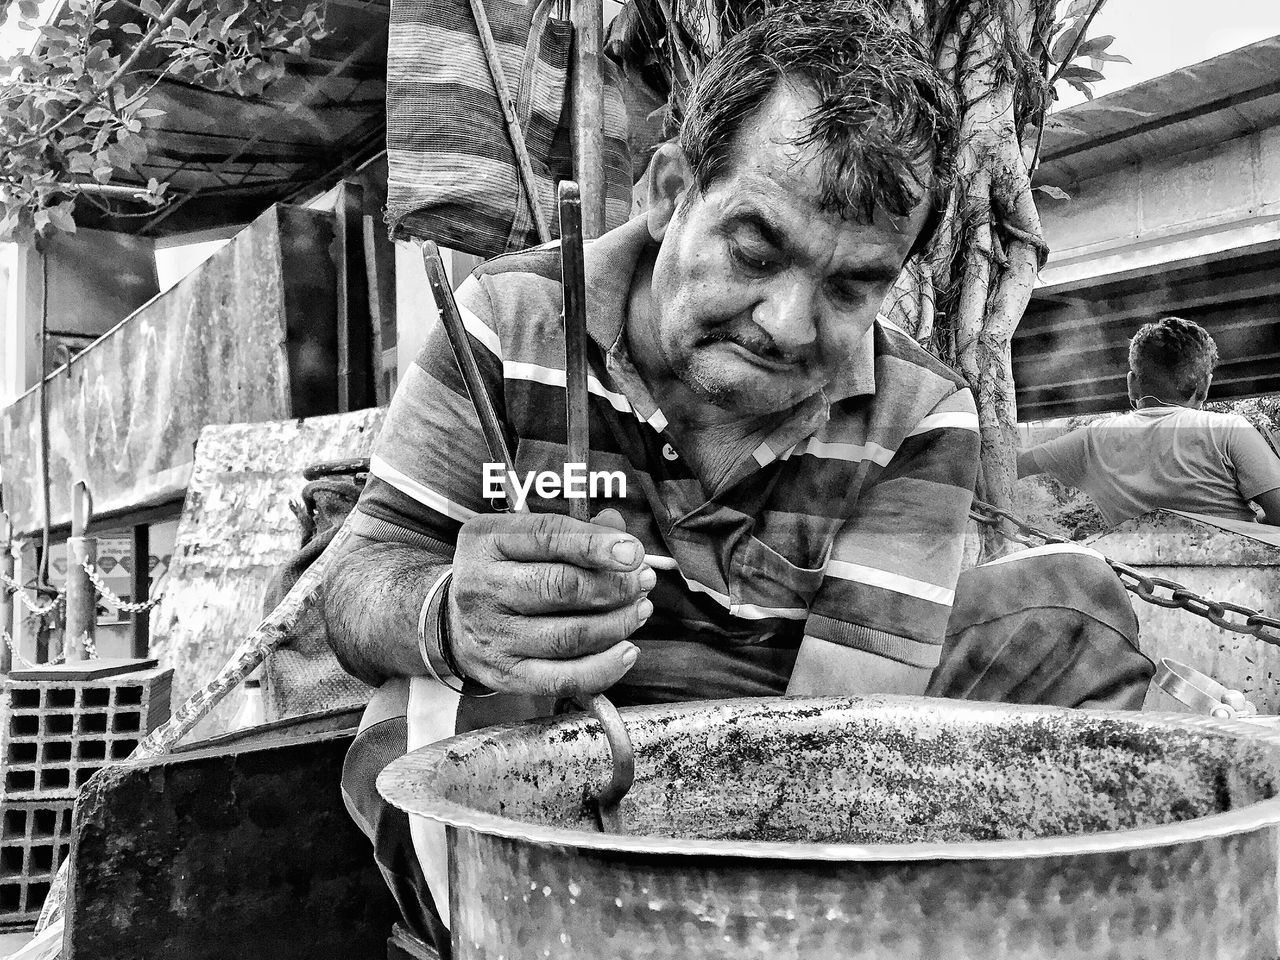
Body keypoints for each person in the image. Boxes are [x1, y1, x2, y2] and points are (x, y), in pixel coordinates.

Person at [323, 4, 1151, 947]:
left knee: (1068, 609)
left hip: (777, 738)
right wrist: (447, 615)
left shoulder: (919, 414)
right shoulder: (506, 324)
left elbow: (832, 744)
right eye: (756, 250)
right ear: (672, 191)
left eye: (851, 287)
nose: (788, 325)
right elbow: (357, 582)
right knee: (429, 706)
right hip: (527, 748)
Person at [1019, 316, 1280, 527]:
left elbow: (1014, 465)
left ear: (1132, 383)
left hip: (1135, 588)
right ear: (1204, 385)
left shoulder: (1090, 440)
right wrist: (1252, 524)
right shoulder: (1229, 431)